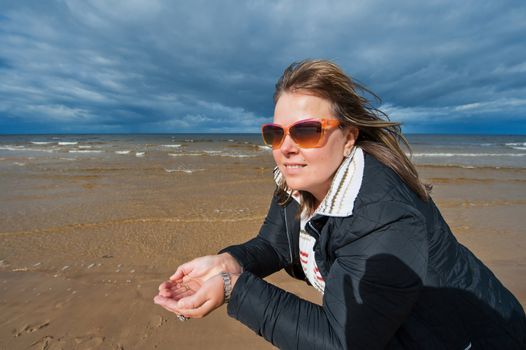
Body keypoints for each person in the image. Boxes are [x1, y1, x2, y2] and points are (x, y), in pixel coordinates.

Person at [154, 59, 526, 349]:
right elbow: (274, 244)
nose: (285, 147)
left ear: (348, 137)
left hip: (471, 339)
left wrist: (235, 289)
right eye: (275, 133)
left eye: (306, 130)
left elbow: (343, 341)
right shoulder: (297, 181)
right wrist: (227, 262)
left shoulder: (384, 216)